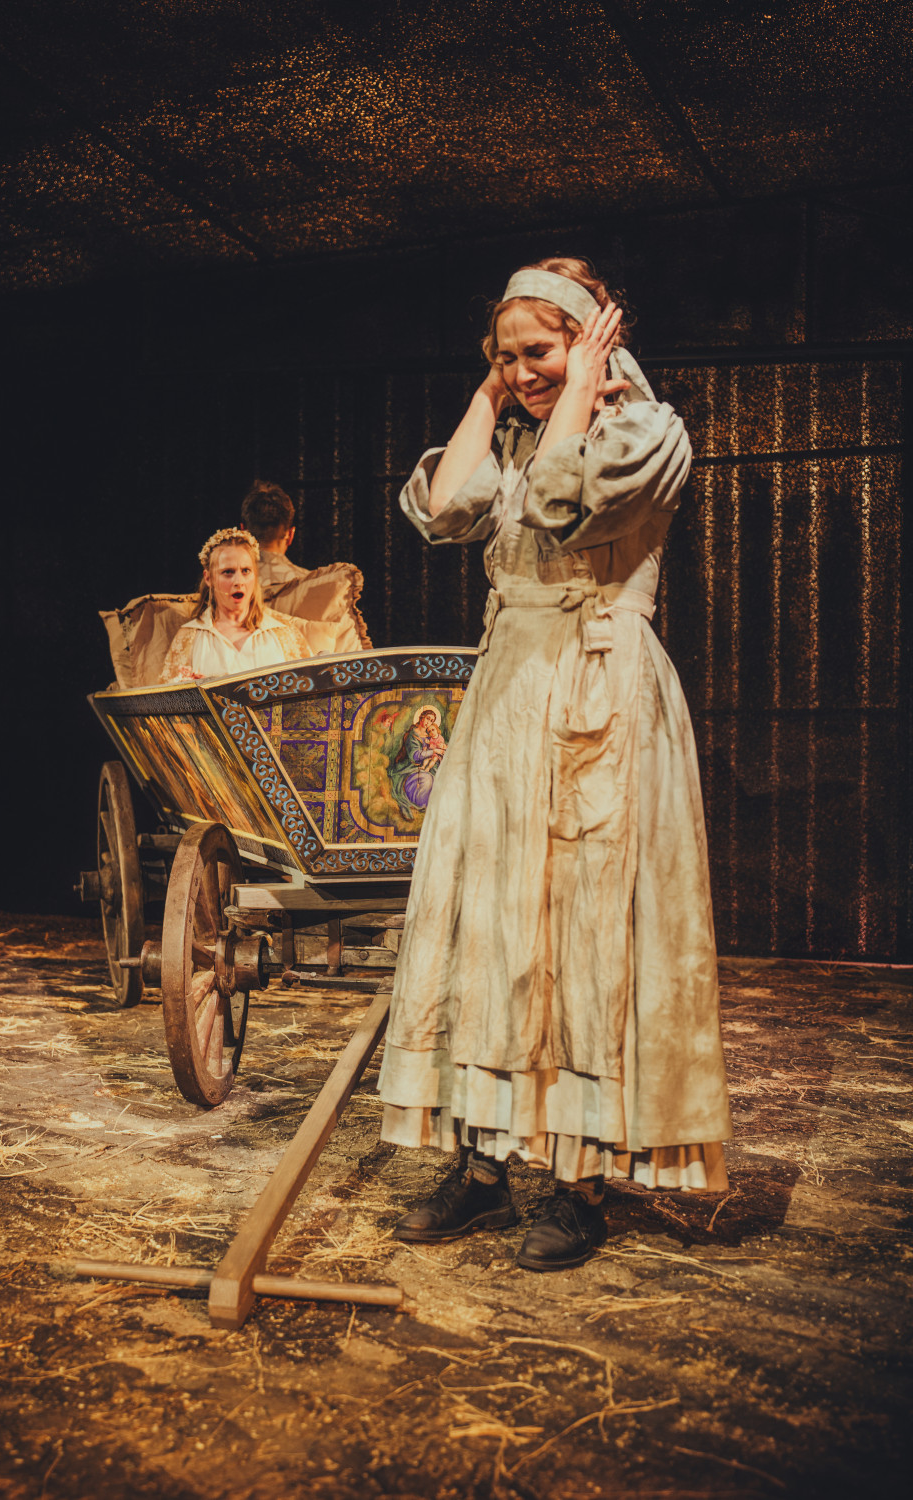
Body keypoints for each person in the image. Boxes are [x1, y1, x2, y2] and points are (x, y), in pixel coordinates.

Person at [378, 257, 732, 1273]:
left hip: (597, 690)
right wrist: (490, 398)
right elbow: (445, 510)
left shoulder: (645, 433)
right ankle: (482, 1161)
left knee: (586, 934)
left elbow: (557, 503)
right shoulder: (522, 428)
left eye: (539, 350)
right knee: (487, 926)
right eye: (506, 355)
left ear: (591, 338)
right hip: (508, 696)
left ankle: (578, 1185)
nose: (523, 370)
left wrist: (576, 388)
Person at [159, 527, 310, 683]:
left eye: (246, 571)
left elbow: (309, 686)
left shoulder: (282, 632)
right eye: (228, 572)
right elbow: (170, 694)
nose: (239, 582)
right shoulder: (189, 637)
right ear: (209, 578)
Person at [241, 480, 371, 653]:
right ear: (290, 534)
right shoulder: (323, 588)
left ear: (243, 532)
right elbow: (351, 657)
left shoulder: (222, 589)